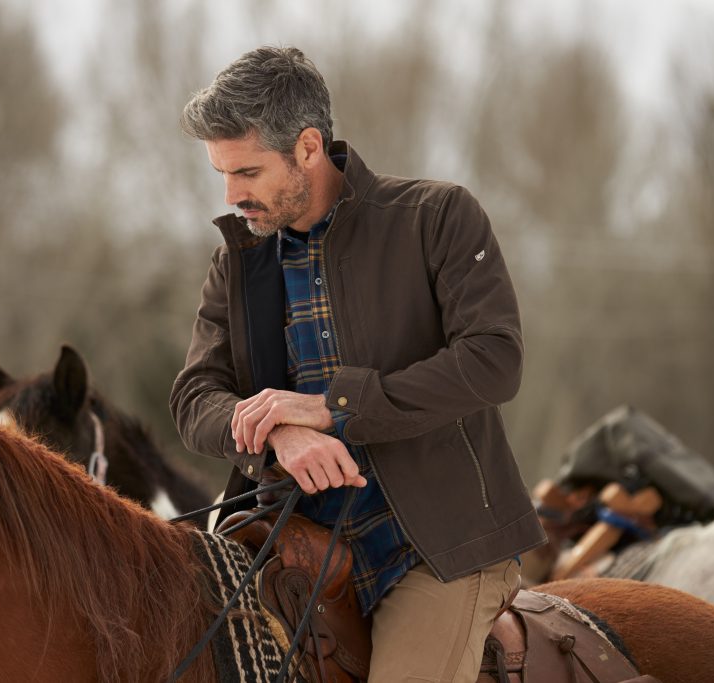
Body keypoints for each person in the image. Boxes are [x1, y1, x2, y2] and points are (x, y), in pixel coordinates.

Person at [170, 45, 546, 682]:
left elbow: (494, 360)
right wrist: (278, 432)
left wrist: (326, 407)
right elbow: (195, 399)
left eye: (249, 173)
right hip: (292, 554)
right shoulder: (236, 263)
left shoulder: (437, 217)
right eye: (223, 175)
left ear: (309, 147)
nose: (233, 195)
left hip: (437, 550)